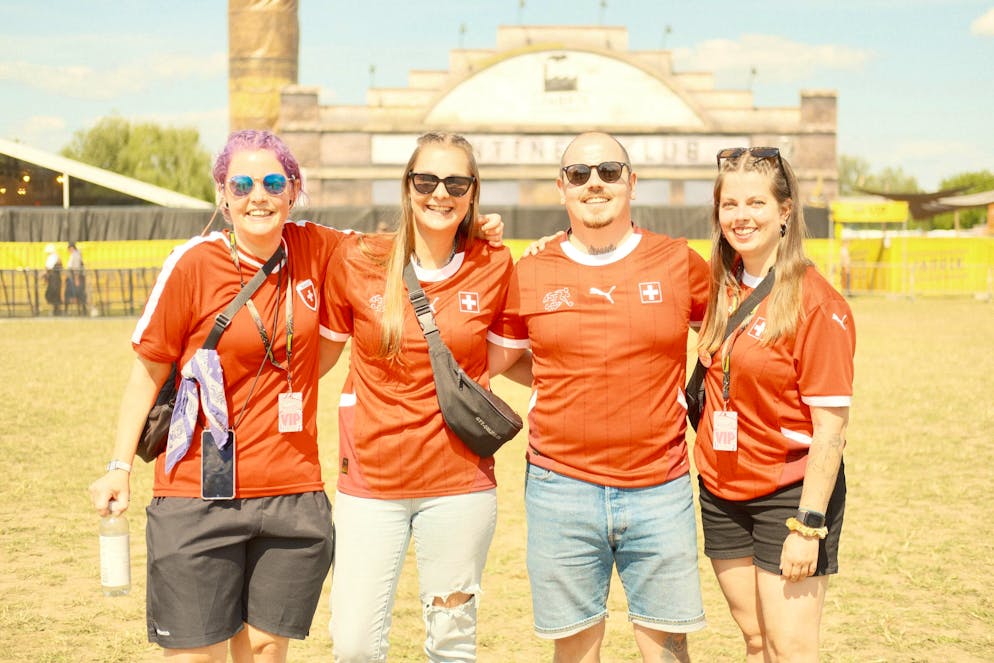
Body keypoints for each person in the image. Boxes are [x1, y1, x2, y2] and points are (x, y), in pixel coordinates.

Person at [87, 130, 345, 663]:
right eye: (242, 184)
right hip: (196, 493)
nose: (259, 196)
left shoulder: (316, 247)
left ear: (293, 191)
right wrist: (119, 465)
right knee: (194, 654)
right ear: (223, 196)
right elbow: (146, 373)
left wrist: (471, 230)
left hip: (289, 493)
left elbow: (398, 246)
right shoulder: (193, 263)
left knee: (267, 648)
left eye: (274, 182)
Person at [488, 132, 709, 662]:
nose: (595, 183)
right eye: (580, 173)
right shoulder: (532, 270)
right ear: (561, 186)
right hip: (559, 486)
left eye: (609, 172)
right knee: (576, 649)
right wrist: (559, 376)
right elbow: (492, 359)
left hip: (660, 484)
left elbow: (732, 338)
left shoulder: (679, 261)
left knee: (667, 647)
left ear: (631, 183)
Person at [319, 132, 514, 661]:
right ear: (407, 188)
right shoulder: (359, 258)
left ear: (473, 193)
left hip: (458, 484)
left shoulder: (494, 263)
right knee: (354, 643)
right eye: (426, 180)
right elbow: (317, 358)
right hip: (369, 484)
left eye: (456, 182)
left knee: (452, 643)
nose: (440, 193)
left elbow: (509, 357)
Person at [694, 146, 855, 662]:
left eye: (756, 203)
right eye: (730, 204)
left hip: (788, 496)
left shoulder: (817, 302)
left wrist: (809, 526)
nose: (741, 217)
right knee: (756, 640)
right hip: (721, 489)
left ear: (785, 211)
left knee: (789, 648)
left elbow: (830, 431)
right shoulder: (715, 284)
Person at [65, 241, 86, 314]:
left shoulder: (75, 255)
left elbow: (76, 268)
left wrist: (76, 279)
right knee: (78, 293)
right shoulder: (74, 255)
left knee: (79, 293)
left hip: (77, 277)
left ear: (72, 248)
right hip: (74, 277)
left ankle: (82, 311)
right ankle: (81, 311)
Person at [43, 243, 62, 315]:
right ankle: (56, 309)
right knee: (53, 293)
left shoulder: (53, 257)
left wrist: (45, 274)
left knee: (53, 293)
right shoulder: (56, 257)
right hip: (54, 278)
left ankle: (56, 310)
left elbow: (49, 267)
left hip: (54, 278)